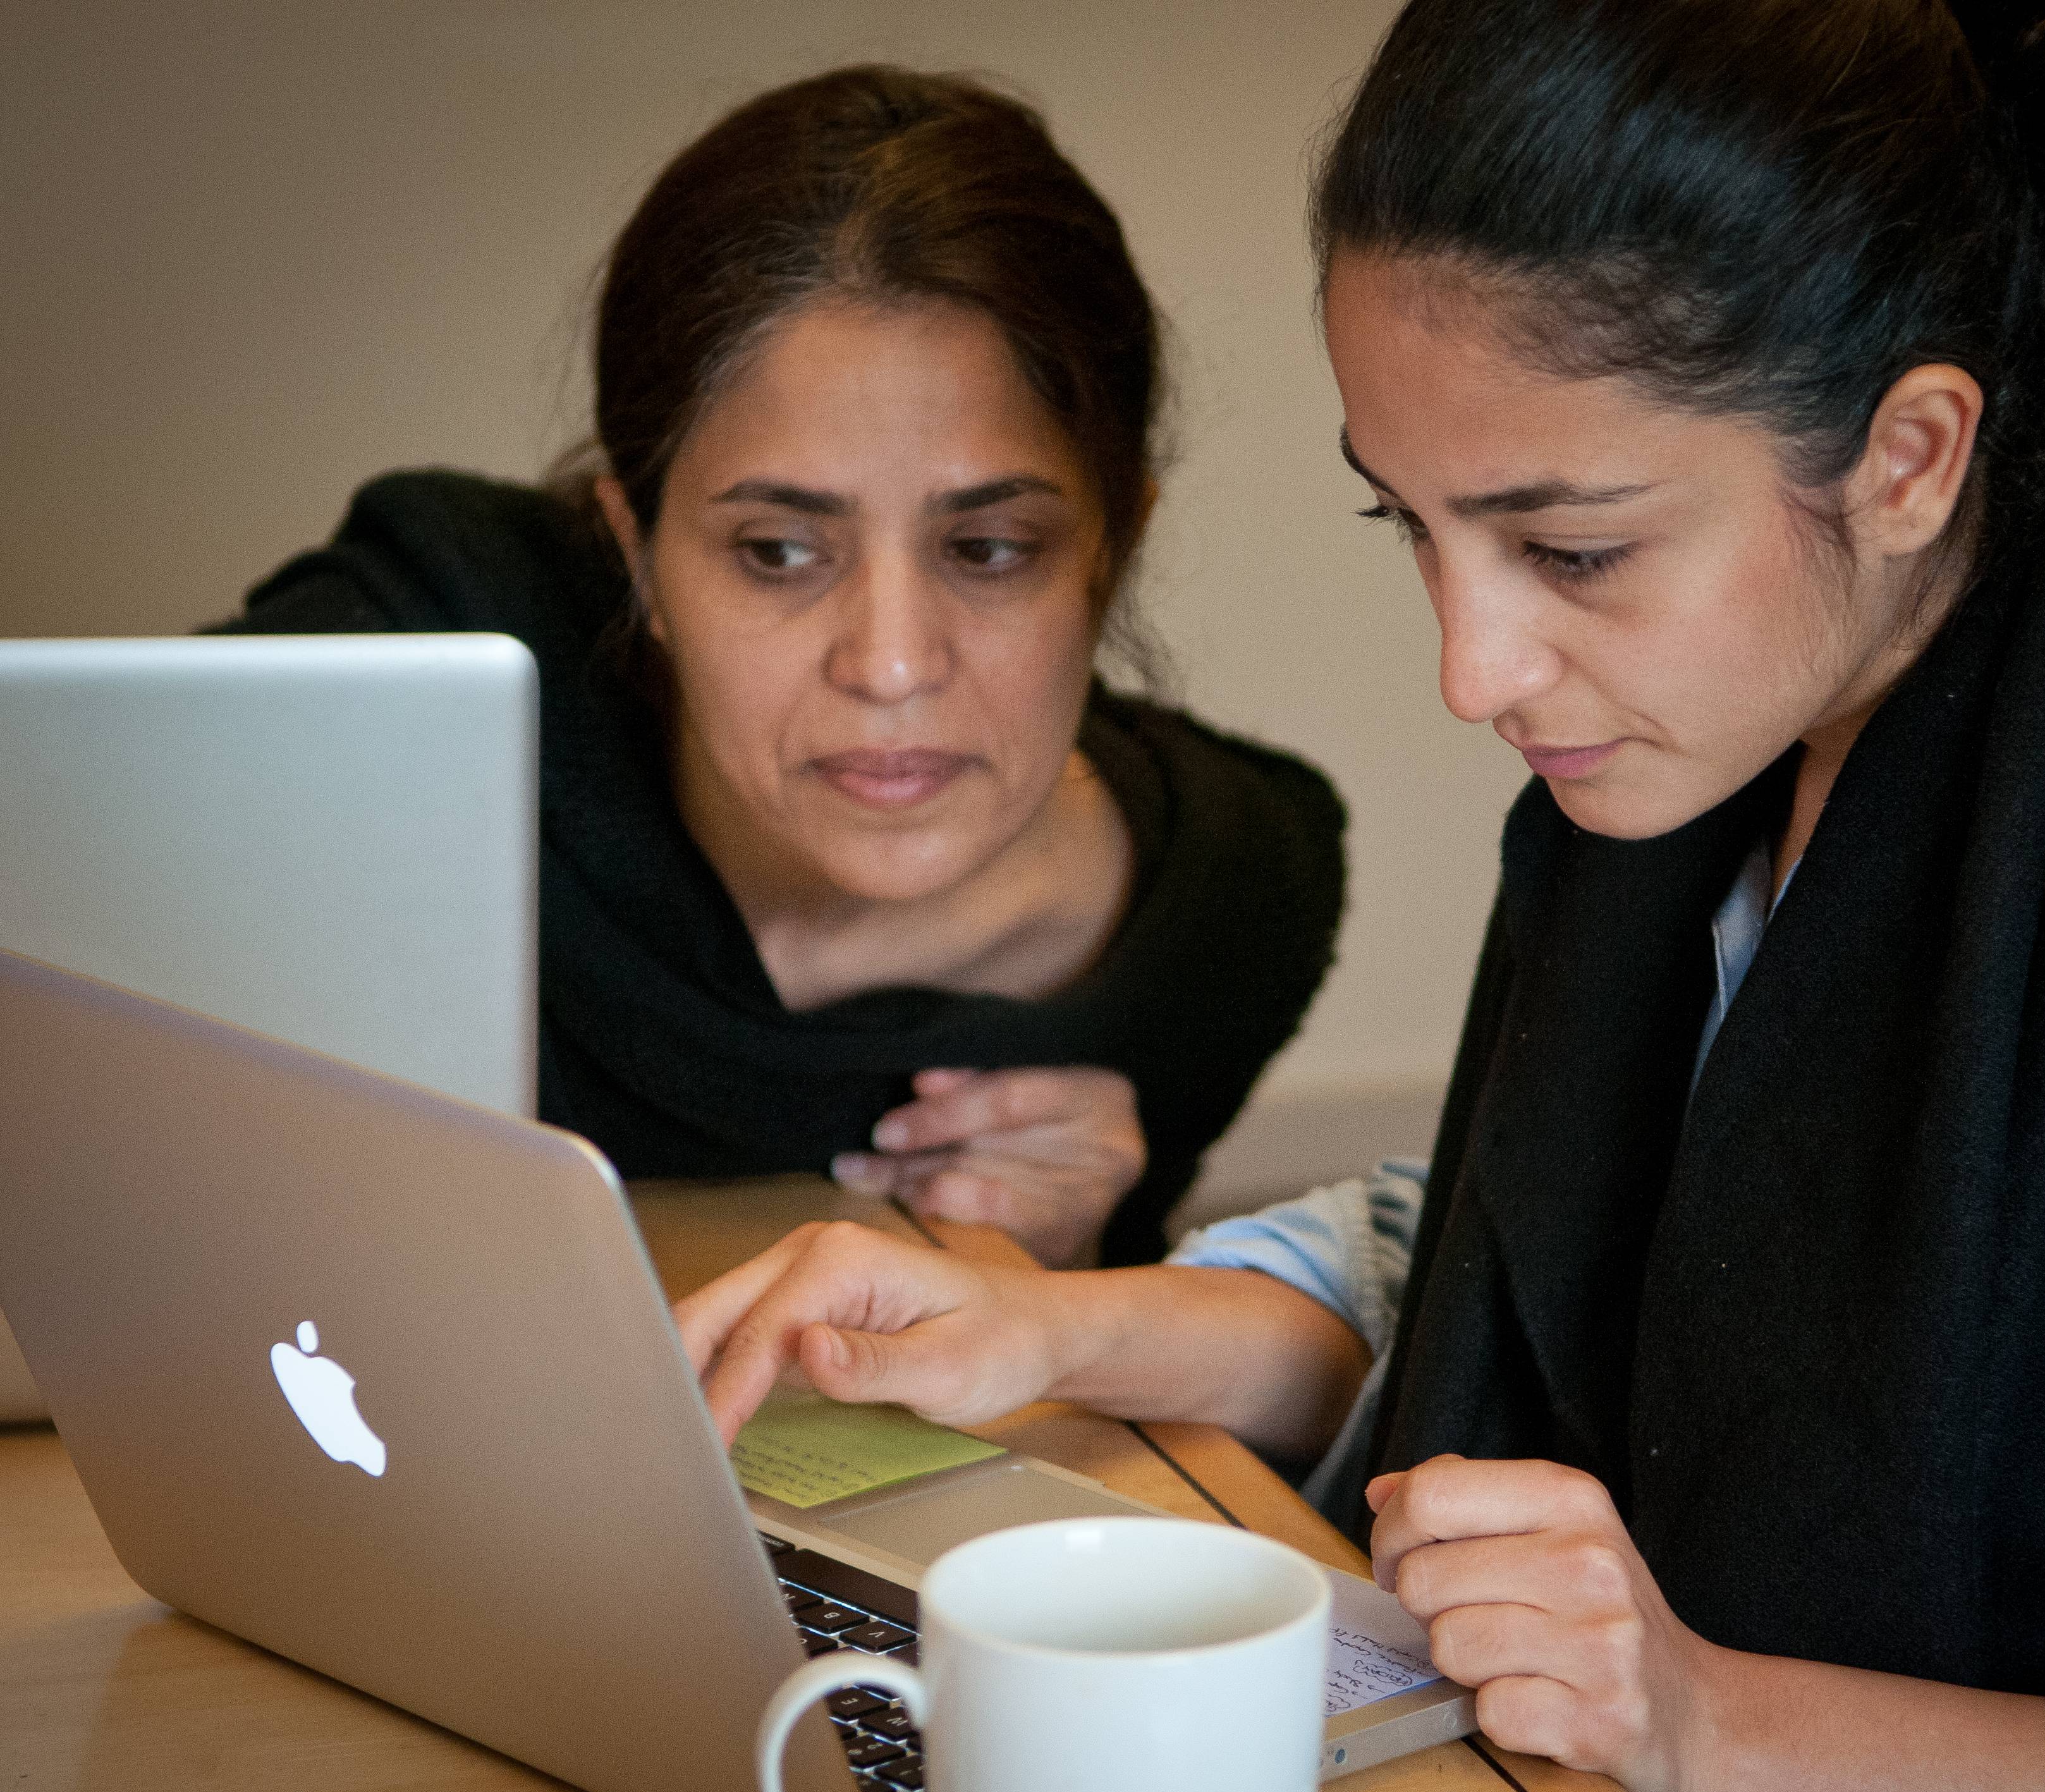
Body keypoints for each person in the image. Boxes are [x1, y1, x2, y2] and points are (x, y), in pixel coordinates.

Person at [672, 3, 2045, 1792]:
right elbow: (1537, 1252)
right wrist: (1044, 1330)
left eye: (1571, 549)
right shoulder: (1729, 753)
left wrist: (1711, 1722)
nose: (1472, 668)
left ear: (1909, 456)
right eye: (1411, 523)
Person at [220, 67, 1346, 1269]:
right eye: (779, 552)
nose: (893, 665)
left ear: (1111, 553)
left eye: (988, 549)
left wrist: (1064, 1272)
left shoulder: (1229, 900)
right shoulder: (410, 661)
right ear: (636, 553)